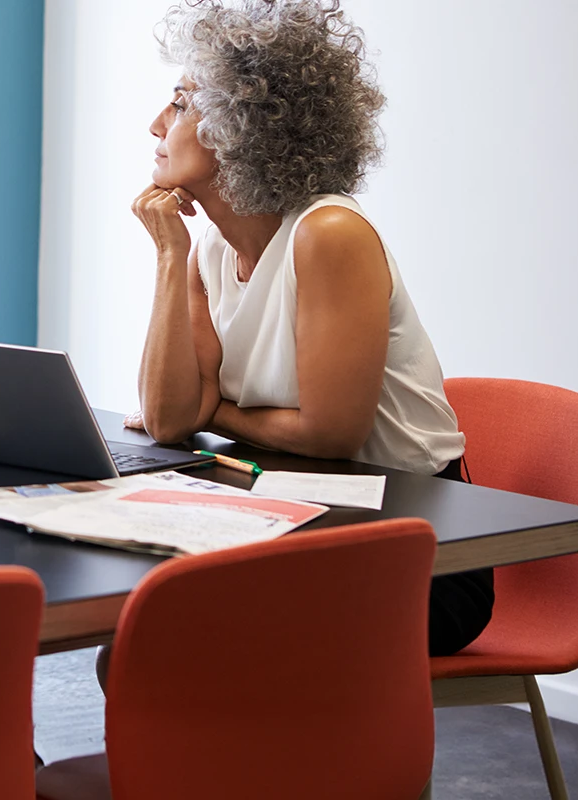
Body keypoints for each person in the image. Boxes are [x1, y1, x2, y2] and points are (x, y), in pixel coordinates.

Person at [125, 0, 490, 662]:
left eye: (179, 103)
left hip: (419, 551)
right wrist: (169, 255)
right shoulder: (204, 248)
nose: (156, 123)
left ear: (242, 124)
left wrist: (218, 411)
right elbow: (170, 418)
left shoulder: (328, 235)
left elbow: (330, 435)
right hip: (304, 517)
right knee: (143, 641)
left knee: (169, 643)